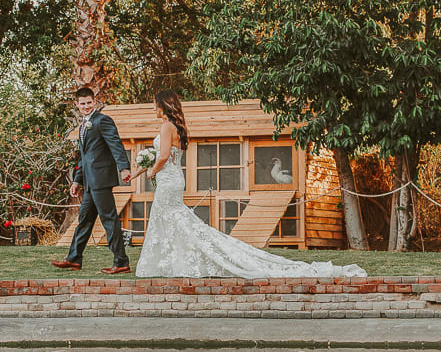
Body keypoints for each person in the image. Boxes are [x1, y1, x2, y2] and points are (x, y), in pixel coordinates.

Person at [130, 90, 366, 278]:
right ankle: (174, 263)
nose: (153, 108)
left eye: (154, 104)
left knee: (169, 219)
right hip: (174, 180)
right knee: (174, 220)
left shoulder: (165, 126)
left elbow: (161, 157)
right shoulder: (177, 128)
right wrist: (139, 171)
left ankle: (168, 263)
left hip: (167, 181)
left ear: (163, 105)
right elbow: (160, 154)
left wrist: (151, 170)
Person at [51, 87, 133, 275]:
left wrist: (124, 168)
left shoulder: (102, 120)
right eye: (83, 103)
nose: (86, 106)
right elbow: (84, 157)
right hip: (89, 183)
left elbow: (115, 144)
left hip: (101, 180)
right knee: (84, 220)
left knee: (109, 220)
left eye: (89, 102)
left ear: (94, 102)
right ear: (77, 105)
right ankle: (74, 259)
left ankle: (121, 262)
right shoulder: (83, 125)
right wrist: (76, 181)